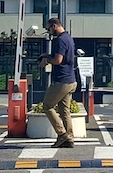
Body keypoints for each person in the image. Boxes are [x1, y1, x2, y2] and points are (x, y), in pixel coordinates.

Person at [37, 17, 78, 148]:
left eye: (48, 29)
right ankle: (69, 138)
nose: (48, 32)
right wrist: (47, 56)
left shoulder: (59, 40)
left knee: (47, 106)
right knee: (64, 110)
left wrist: (47, 60)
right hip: (71, 80)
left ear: (54, 26)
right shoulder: (68, 38)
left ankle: (62, 134)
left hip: (61, 80)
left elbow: (58, 60)